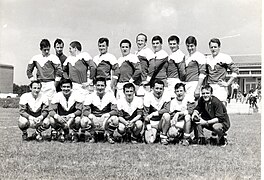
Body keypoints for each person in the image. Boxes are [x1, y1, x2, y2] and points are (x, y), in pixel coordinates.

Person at [81, 77, 119, 144]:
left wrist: (106, 115)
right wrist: (91, 116)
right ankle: (93, 135)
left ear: (105, 86)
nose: (100, 87)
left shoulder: (110, 95)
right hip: (94, 120)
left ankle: (109, 135)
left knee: (115, 119)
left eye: (102, 85)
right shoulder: (90, 96)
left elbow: (115, 110)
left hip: (105, 120)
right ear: (95, 86)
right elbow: (84, 111)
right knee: (84, 121)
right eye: (98, 85)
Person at [206, 38, 239, 105]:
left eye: (215, 47)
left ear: (219, 47)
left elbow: (235, 71)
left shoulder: (225, 57)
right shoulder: (207, 59)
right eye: (211, 47)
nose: (213, 49)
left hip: (220, 87)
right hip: (210, 87)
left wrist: (227, 83)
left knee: (221, 110)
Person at [143, 80, 171, 145]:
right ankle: (154, 134)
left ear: (163, 89)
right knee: (150, 141)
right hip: (152, 123)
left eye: (161, 89)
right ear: (152, 88)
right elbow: (145, 115)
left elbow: (167, 109)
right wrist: (149, 129)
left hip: (162, 122)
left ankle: (163, 136)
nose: (159, 91)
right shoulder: (148, 96)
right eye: (157, 88)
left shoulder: (166, 95)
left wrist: (153, 114)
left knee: (167, 115)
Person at [184, 36, 206, 102]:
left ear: (195, 45)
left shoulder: (200, 56)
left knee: (193, 104)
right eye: (188, 46)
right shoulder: (186, 57)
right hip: (186, 84)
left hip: (194, 83)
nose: (190, 48)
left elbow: (202, 73)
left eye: (192, 46)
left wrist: (198, 88)